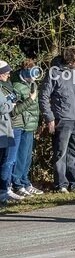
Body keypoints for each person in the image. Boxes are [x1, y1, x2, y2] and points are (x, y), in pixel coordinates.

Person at [40, 47, 75, 193]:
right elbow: (43, 97)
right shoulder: (53, 73)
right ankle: (61, 184)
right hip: (61, 119)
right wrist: (50, 118)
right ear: (69, 60)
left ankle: (73, 182)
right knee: (60, 153)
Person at [9, 62, 43, 197]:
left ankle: (25, 182)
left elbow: (36, 107)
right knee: (17, 157)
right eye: (32, 75)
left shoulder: (33, 84)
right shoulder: (15, 85)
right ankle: (17, 184)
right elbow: (14, 110)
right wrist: (30, 99)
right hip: (19, 125)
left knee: (27, 157)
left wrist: (39, 123)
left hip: (30, 124)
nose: (34, 79)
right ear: (25, 71)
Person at [0, 61, 17, 204]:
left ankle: (3, 191)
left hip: (5, 129)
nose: (8, 75)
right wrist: (11, 103)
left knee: (5, 160)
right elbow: (3, 107)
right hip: (1, 130)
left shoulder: (4, 87)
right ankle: (2, 192)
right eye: (5, 73)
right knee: (3, 161)